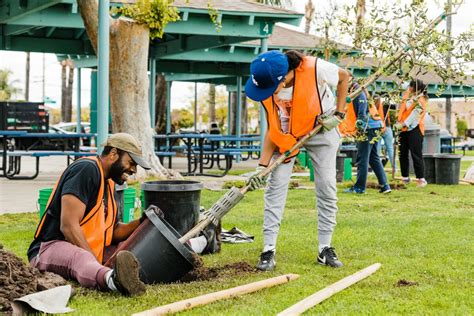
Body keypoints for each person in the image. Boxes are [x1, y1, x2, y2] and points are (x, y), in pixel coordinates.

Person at [27, 133, 216, 296]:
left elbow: (114, 231)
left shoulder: (109, 184)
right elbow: (68, 226)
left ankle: (204, 242)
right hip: (49, 248)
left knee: (139, 247)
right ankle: (113, 281)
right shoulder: (86, 169)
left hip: (92, 249)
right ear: (113, 154)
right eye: (131, 162)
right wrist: (95, 263)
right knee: (81, 259)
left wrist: (142, 222)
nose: (133, 170)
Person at [244, 50, 350, 271]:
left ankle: (325, 248)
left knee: (326, 188)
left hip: (322, 129)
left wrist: (339, 114)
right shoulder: (267, 88)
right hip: (287, 138)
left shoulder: (314, 68)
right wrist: (261, 167)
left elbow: (344, 76)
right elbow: (273, 128)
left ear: (283, 78)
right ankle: (268, 250)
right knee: (275, 188)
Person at [341, 85, 391, 194]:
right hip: (375, 125)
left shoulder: (358, 92)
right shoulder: (361, 91)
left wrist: (360, 126)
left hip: (367, 128)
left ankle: (359, 188)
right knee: (373, 158)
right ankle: (385, 186)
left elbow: (362, 111)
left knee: (362, 158)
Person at [394, 79, 428, 187]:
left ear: (416, 89)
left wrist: (403, 124)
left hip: (415, 129)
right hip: (402, 129)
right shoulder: (407, 95)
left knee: (416, 154)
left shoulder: (421, 100)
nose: (409, 87)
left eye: (411, 86)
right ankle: (405, 178)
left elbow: (415, 116)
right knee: (402, 153)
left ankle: (421, 179)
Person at [377, 100, 396, 170]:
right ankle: (394, 168)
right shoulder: (386, 104)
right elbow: (395, 107)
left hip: (378, 127)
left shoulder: (374, 106)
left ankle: (377, 169)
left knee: (377, 150)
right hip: (387, 127)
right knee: (390, 149)